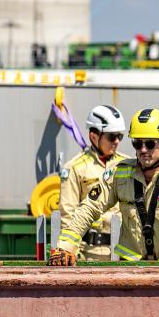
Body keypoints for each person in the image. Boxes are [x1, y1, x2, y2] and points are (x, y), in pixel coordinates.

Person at [49, 108, 159, 292]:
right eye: (137, 143)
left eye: (150, 144)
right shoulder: (120, 174)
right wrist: (65, 246)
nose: (143, 150)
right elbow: (89, 208)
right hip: (132, 271)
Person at [58, 105, 129, 261]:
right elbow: (68, 213)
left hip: (124, 253)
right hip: (90, 254)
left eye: (120, 136)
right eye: (111, 136)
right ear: (94, 136)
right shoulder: (75, 168)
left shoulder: (127, 165)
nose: (117, 141)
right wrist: (71, 252)